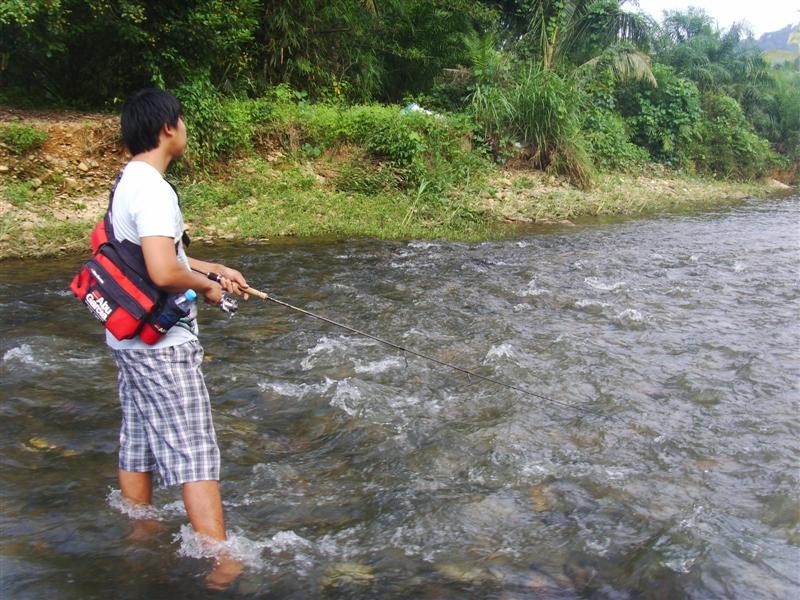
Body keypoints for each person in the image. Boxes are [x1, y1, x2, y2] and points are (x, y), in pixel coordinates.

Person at [108, 87, 247, 587]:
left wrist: (212, 267)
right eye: (183, 121)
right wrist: (208, 288)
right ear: (168, 127)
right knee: (195, 451)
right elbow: (165, 271)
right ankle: (220, 561)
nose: (185, 129)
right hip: (162, 346)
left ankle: (138, 531)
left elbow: (146, 256)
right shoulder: (155, 190)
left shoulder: (129, 181)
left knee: (139, 441)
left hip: (129, 339)